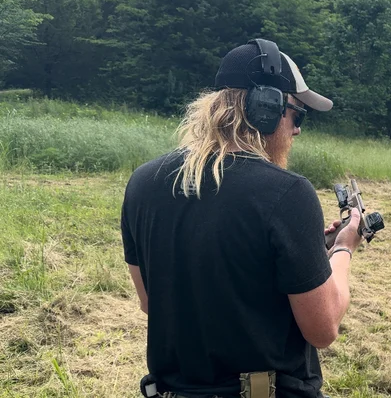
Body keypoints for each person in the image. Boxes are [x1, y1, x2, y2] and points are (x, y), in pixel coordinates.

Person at [121, 39, 363, 398]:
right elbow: (323, 328)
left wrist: (310, 252)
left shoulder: (143, 182)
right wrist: (342, 250)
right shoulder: (288, 193)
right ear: (266, 108)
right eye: (297, 115)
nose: (297, 130)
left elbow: (151, 301)